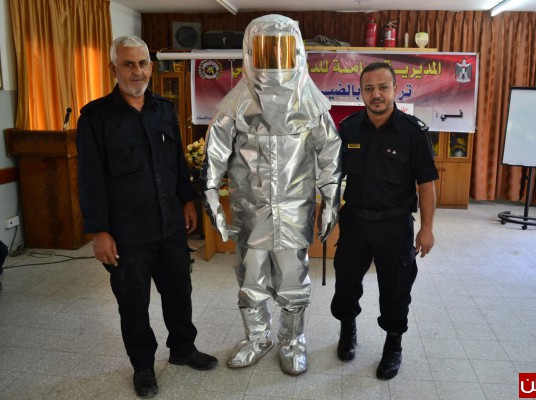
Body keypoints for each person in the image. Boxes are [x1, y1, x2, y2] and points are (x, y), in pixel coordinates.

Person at [76, 35, 218, 398]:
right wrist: (99, 232)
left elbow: (177, 163)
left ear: (150, 67)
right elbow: (90, 178)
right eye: (128, 64)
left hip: (170, 225)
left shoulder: (164, 110)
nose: (137, 72)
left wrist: (187, 200)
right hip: (127, 233)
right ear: (113, 68)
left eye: (142, 64)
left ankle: (183, 349)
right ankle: (142, 366)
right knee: (133, 303)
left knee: (179, 292)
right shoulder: (95, 117)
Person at [200, 14, 341, 375]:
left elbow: (331, 155)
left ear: (297, 52)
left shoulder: (312, 105)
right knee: (251, 280)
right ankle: (258, 338)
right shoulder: (233, 106)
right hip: (251, 214)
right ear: (250, 52)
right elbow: (213, 157)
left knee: (294, 281)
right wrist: (212, 198)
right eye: (265, 50)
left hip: (295, 212)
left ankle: (293, 342)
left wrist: (331, 200)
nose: (274, 61)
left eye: (282, 49)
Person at [330, 61, 438, 380]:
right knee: (346, 284)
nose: (376, 94)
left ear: (395, 89)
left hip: (395, 226)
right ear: (360, 92)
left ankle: (393, 345)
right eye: (369, 88)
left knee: (395, 289)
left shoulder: (413, 132)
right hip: (355, 223)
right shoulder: (348, 128)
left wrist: (427, 228)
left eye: (382, 87)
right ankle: (348, 329)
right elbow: (332, 175)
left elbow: (426, 184)